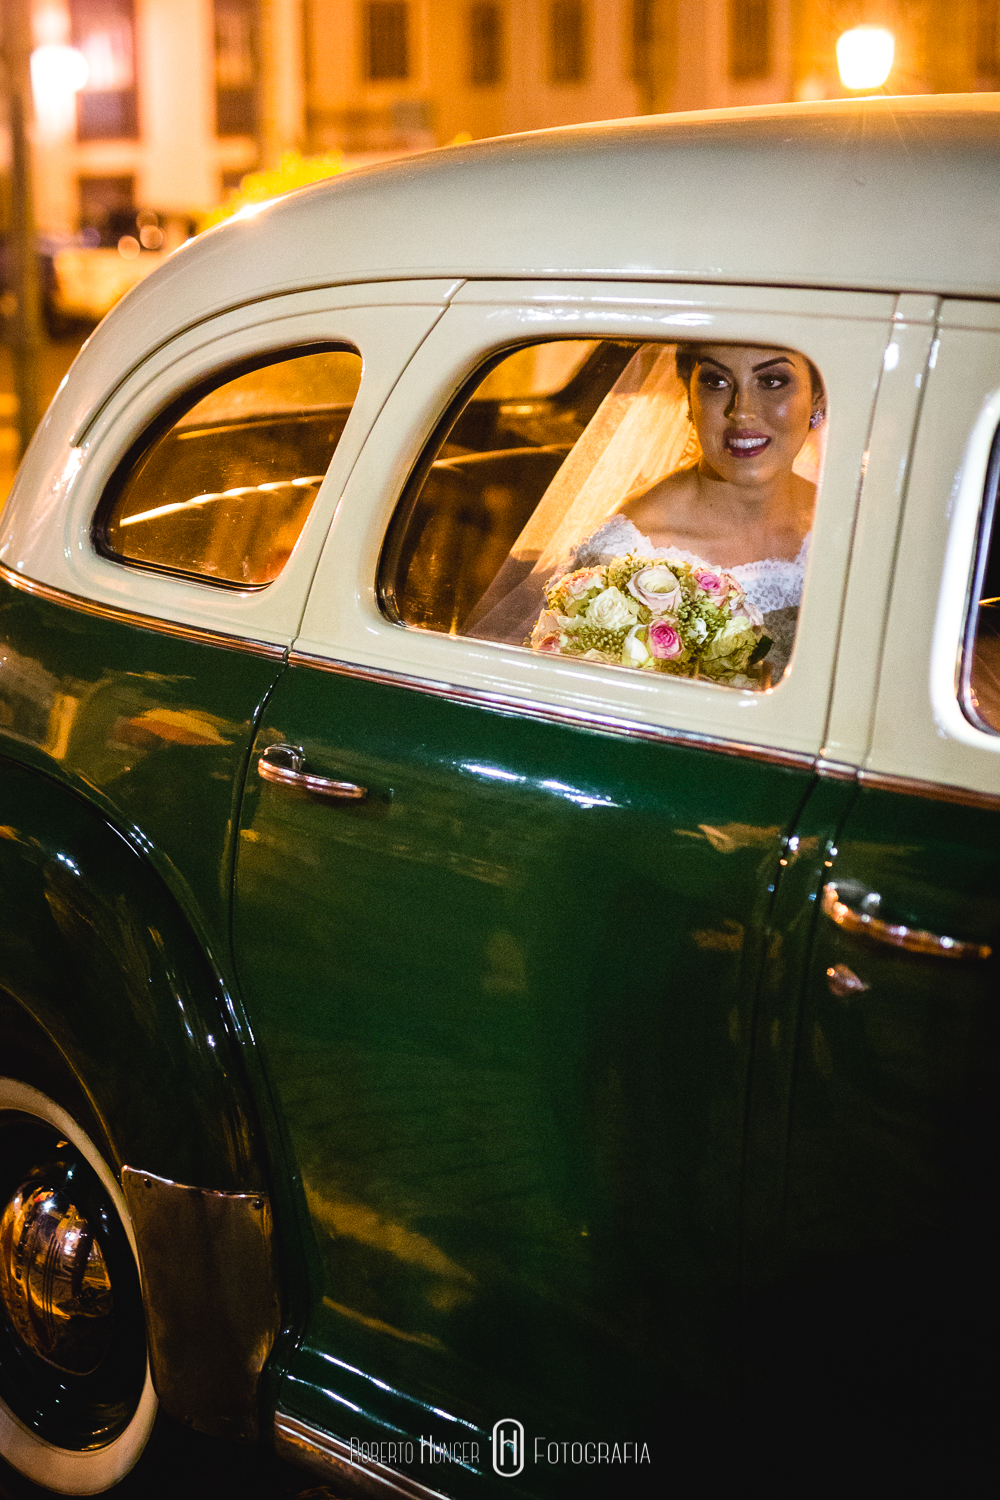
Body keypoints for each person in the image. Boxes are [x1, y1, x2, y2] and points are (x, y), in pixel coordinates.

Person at [563, 343, 824, 678]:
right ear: (689, 394)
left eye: (772, 381)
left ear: (818, 396)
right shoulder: (626, 555)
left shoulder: (852, 523)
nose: (742, 411)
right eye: (716, 382)